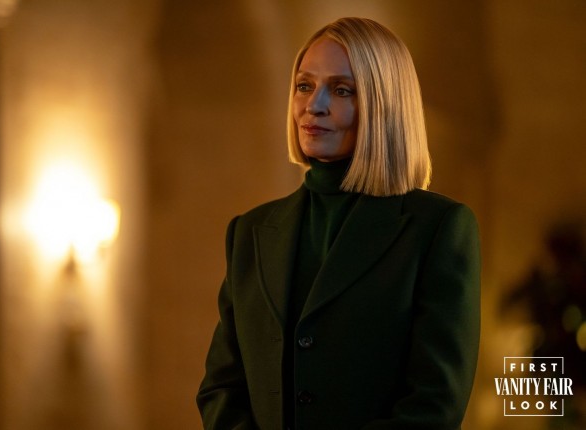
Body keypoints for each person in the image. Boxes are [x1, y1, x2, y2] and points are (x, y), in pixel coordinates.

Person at [197, 17, 481, 430]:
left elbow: (433, 407)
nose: (314, 105)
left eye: (342, 90)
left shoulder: (438, 229)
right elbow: (221, 388)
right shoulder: (250, 231)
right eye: (304, 85)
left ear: (384, 106)